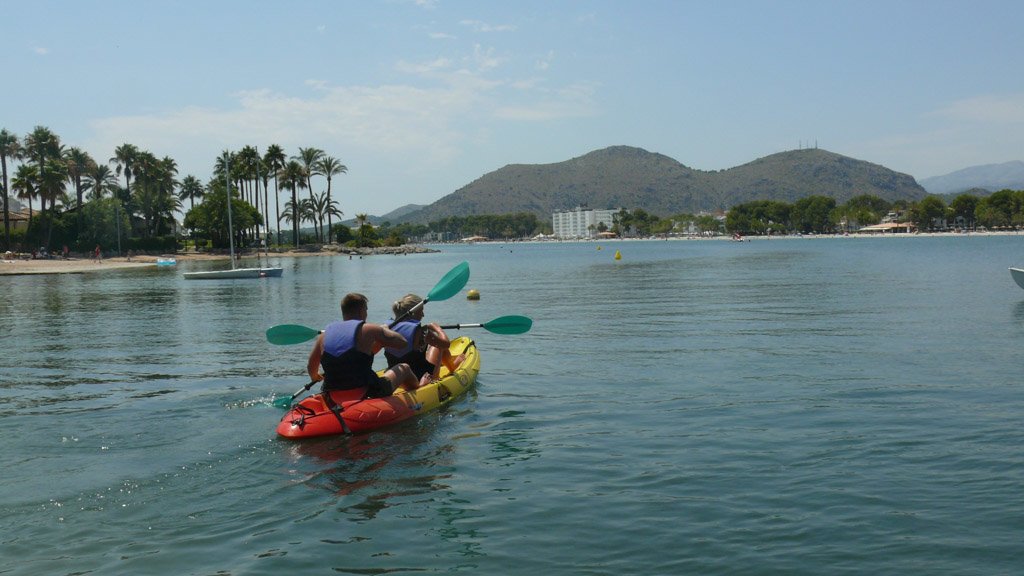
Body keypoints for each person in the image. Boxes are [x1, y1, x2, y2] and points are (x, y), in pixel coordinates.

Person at [307, 293, 419, 398]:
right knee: (404, 368)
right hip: (368, 391)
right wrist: (384, 329)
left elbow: (311, 367)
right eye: (366, 309)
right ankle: (421, 387)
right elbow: (402, 343)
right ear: (361, 311)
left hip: (331, 392)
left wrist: (315, 377)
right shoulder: (369, 329)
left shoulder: (324, 335)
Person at [385, 294, 464, 387]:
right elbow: (446, 344)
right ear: (413, 313)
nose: (423, 315)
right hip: (424, 378)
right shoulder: (421, 331)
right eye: (421, 311)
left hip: (399, 379)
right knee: (437, 346)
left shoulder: (387, 329)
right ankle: (452, 366)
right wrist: (437, 329)